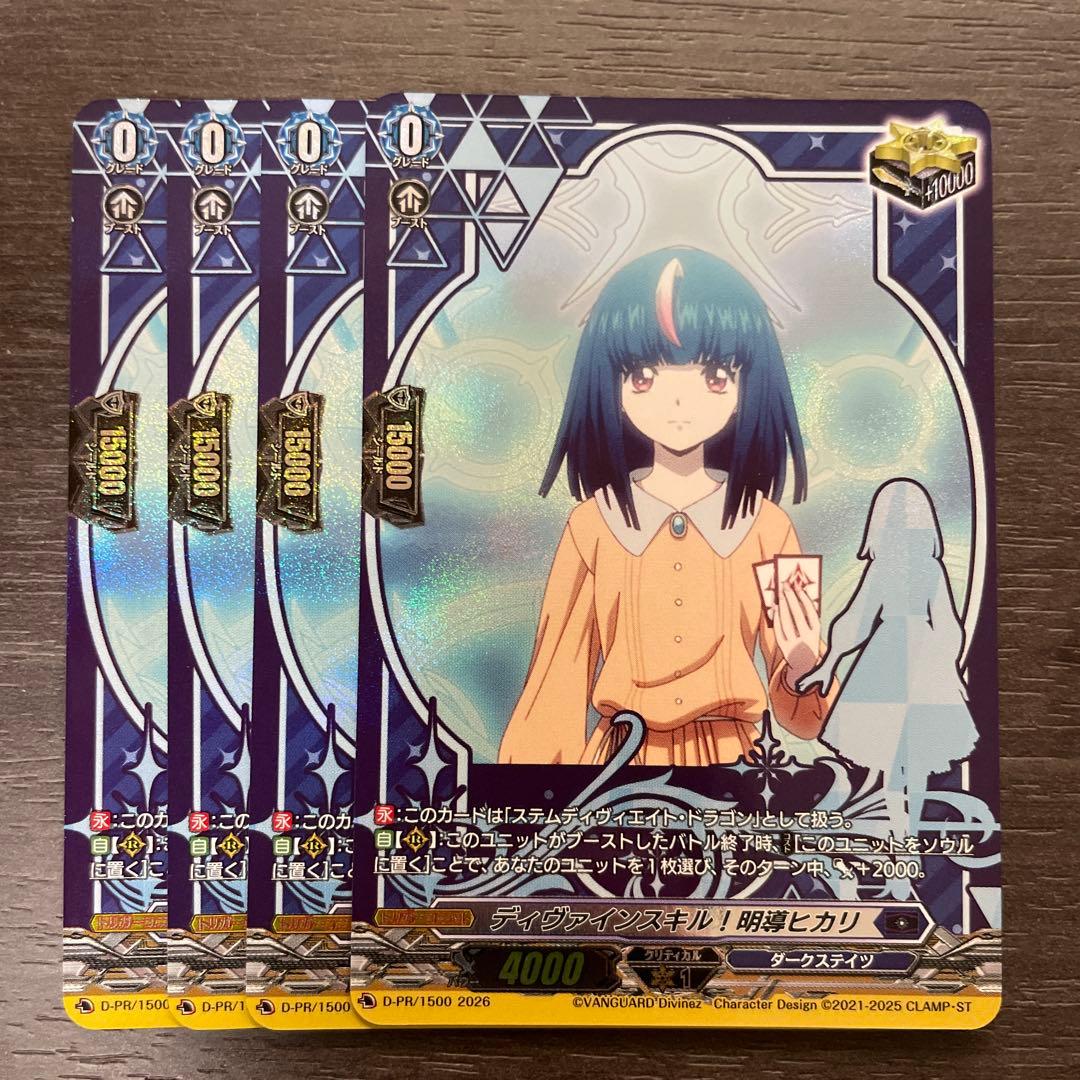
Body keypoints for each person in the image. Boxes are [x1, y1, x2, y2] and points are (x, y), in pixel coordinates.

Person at [499, 247, 835, 766]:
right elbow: (557, 676)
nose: (679, 402)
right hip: (619, 764)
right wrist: (533, 795)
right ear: (610, 384)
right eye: (643, 376)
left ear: (749, 386)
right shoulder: (593, 524)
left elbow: (805, 713)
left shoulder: (770, 527)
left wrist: (800, 671)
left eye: (715, 376)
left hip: (734, 764)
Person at [797, 479, 979, 837]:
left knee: (912, 756)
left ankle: (907, 833)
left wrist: (949, 667)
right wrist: (829, 663)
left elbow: (946, 623)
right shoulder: (890, 570)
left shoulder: (926, 570)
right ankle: (901, 833)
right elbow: (857, 619)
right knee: (898, 757)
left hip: (910, 658)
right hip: (893, 660)